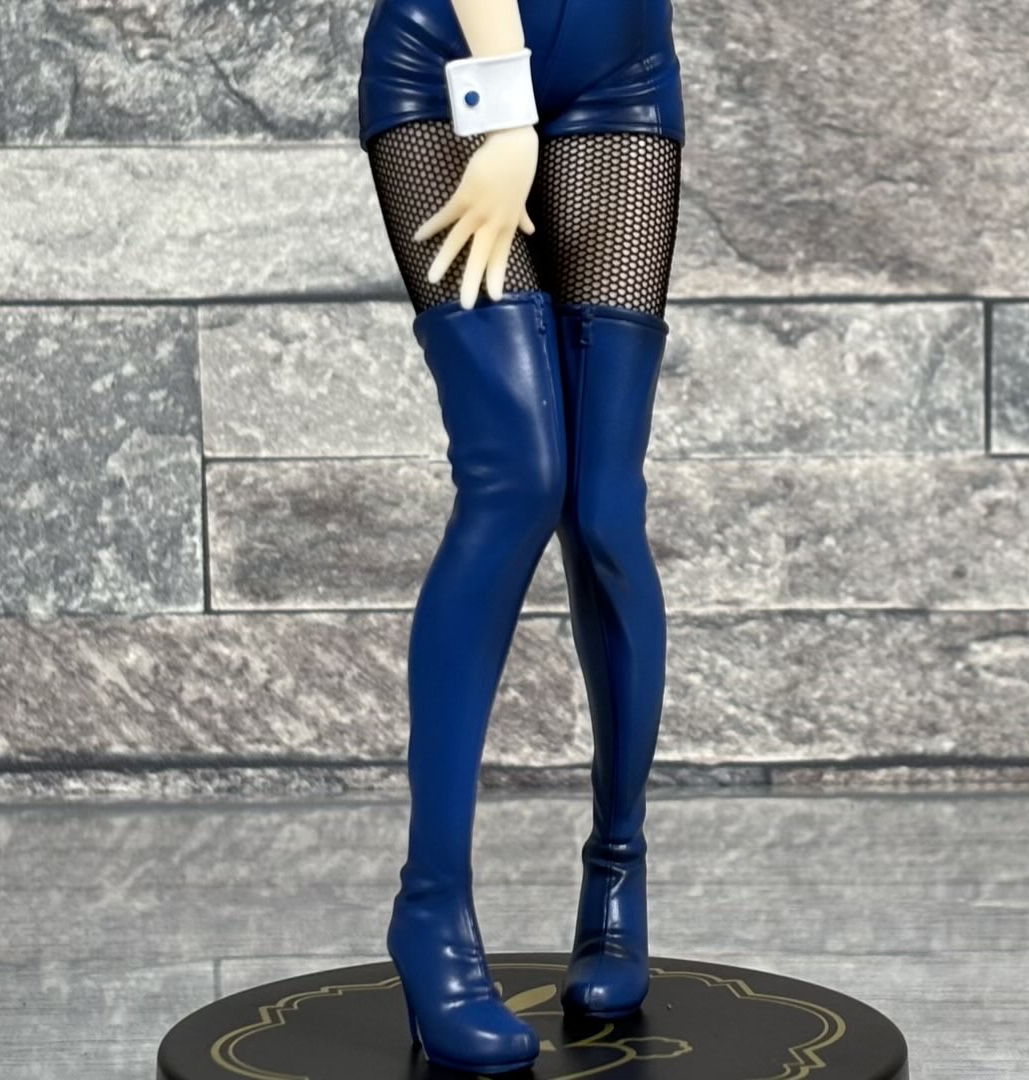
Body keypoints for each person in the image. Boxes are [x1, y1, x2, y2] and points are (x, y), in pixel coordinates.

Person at [357, 0, 685, 1071]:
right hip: (450, 68)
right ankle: (430, 911)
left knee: (605, 511)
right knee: (517, 478)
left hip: (620, 78)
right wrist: (505, 113)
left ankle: (618, 874)